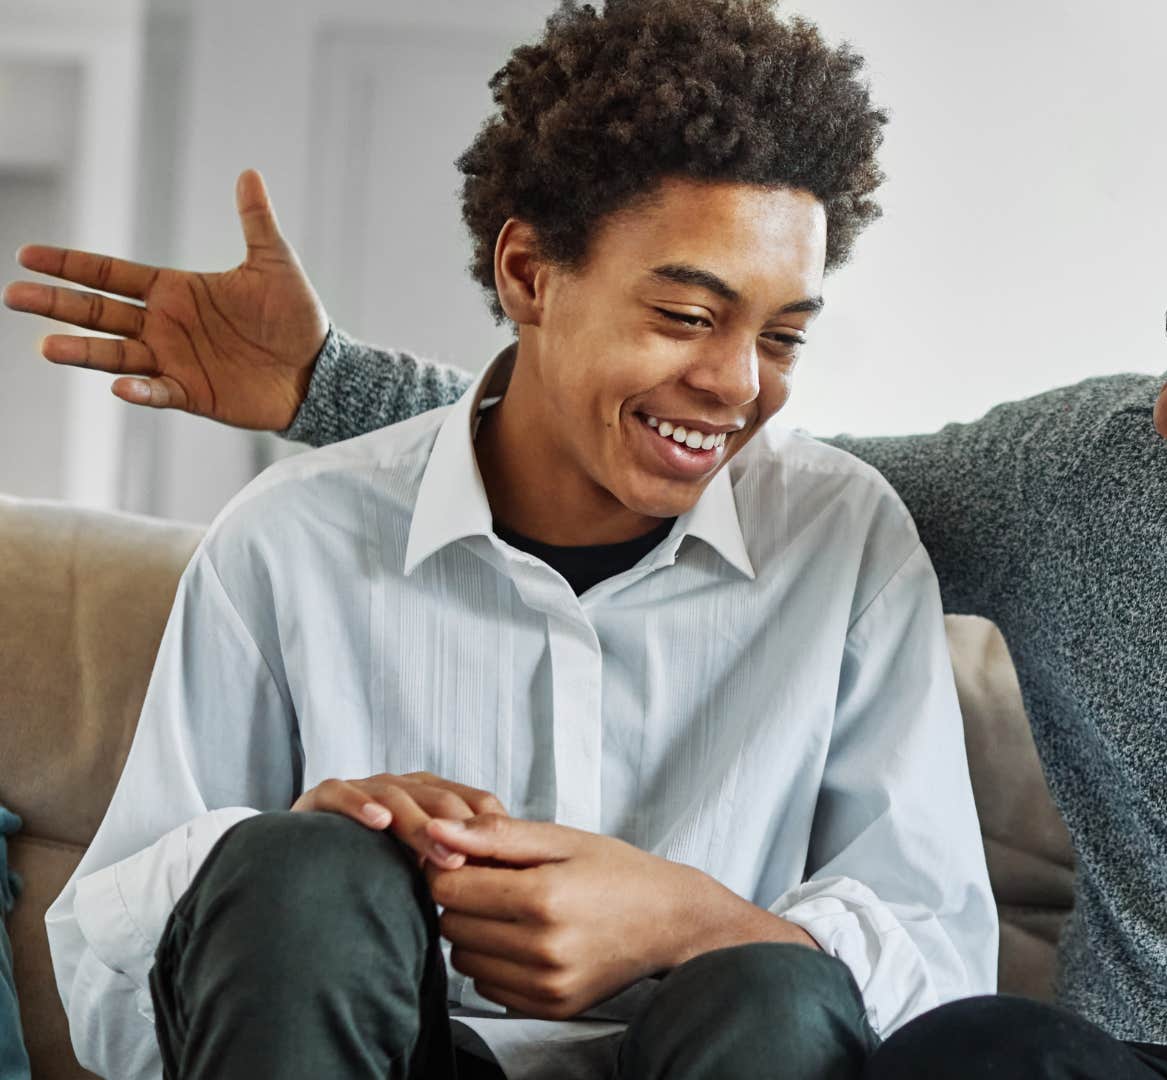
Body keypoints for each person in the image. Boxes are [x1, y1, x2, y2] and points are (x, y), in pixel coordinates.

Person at [11, 116, 1167, 1075]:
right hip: (1105, 1075)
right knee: (969, 1056)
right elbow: (727, 470)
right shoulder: (1093, 468)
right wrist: (329, 392)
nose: (1158, 419)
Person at [23, 2, 998, 1078]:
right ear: (529, 274)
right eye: (683, 317)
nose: (734, 384)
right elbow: (105, 991)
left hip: (708, 1056)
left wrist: (685, 917)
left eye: (782, 336)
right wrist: (295, 851)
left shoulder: (846, 539)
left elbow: (940, 971)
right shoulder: (290, 538)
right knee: (300, 871)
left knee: (773, 985)